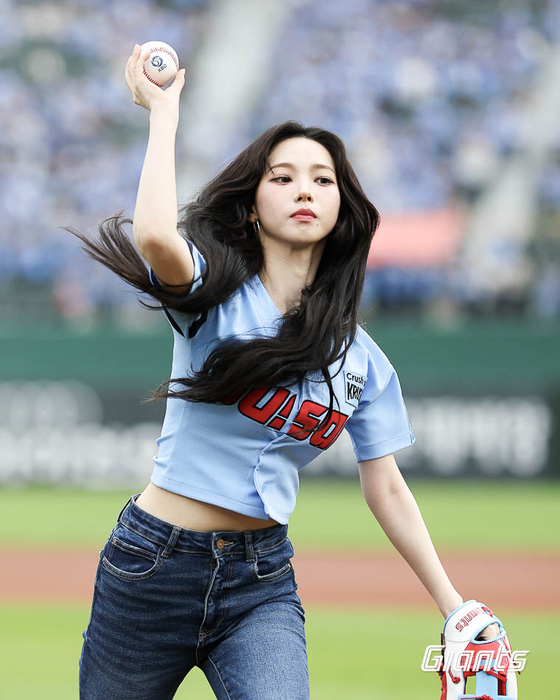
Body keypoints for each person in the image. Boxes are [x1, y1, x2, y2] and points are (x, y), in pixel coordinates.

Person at [70, 44, 499, 700]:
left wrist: (455, 605)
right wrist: (162, 114)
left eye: (322, 179)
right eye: (283, 176)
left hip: (260, 582)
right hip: (150, 569)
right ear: (251, 207)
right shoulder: (213, 291)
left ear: (340, 209)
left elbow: (386, 489)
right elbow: (156, 236)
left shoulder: (364, 361)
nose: (305, 188)